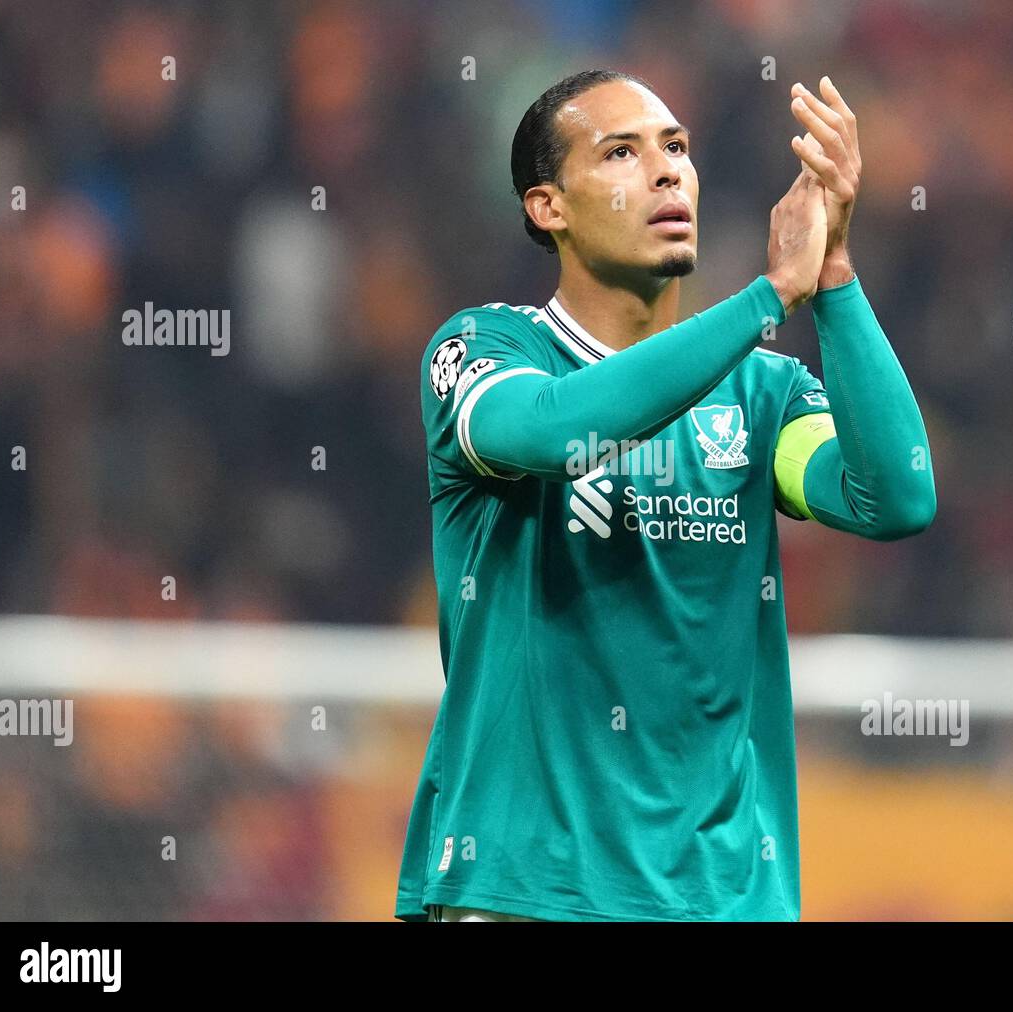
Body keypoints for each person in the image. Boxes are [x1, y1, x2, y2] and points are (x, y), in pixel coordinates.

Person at [396, 68, 935, 922]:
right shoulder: (484, 350)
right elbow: (552, 434)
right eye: (620, 152)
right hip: (530, 895)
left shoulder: (762, 397)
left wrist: (831, 276)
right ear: (549, 207)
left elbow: (894, 495)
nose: (665, 171)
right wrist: (767, 299)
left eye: (676, 148)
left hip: (724, 900)